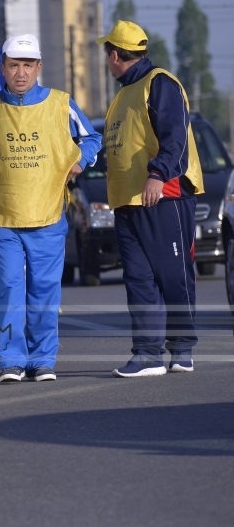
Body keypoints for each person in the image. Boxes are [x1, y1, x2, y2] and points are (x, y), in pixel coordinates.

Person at [0, 34, 102, 383]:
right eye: (14, 65)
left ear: (39, 68)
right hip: (1, 215)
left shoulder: (61, 104)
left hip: (47, 214)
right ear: (2, 67)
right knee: (8, 289)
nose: (21, 73)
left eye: (27, 65)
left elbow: (92, 138)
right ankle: (11, 361)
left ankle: (43, 359)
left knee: (45, 291)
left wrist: (81, 160)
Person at [96, 21, 204, 377]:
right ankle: (148, 354)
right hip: (128, 200)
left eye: (106, 55)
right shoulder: (124, 92)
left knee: (173, 275)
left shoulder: (159, 83)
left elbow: (174, 137)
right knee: (139, 279)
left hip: (165, 196)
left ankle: (182, 348)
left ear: (114, 54)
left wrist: (157, 174)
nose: (106, 62)